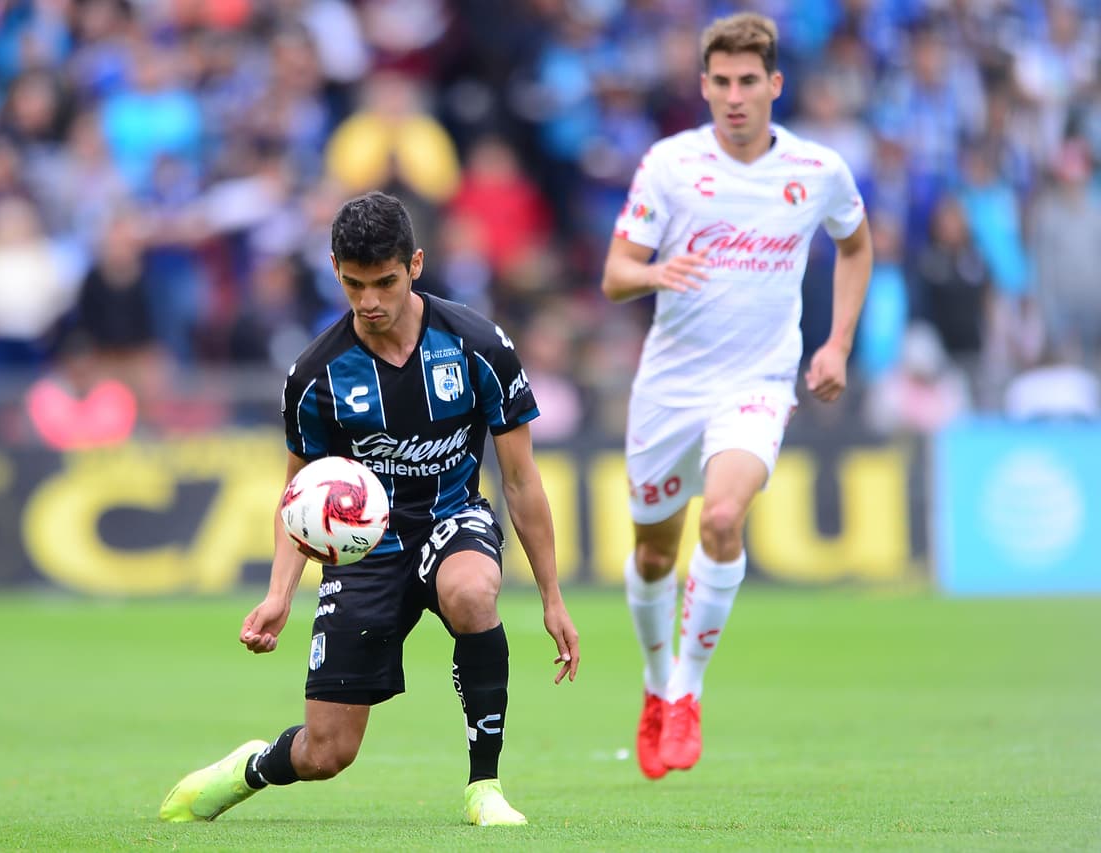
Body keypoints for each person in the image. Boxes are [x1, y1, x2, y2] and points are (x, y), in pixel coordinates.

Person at [159, 191, 580, 825]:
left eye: (384, 282)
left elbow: (520, 481)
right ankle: (246, 768)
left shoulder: (477, 346)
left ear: (415, 264)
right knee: (326, 754)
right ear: (335, 269)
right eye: (355, 285)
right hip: (364, 555)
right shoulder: (315, 376)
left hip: (452, 523)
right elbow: (296, 499)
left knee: (472, 591)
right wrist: (279, 595)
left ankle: (484, 787)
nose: (371, 302)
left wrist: (551, 596)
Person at [600, 12, 872, 780]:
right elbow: (616, 273)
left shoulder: (818, 171)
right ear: (704, 86)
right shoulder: (669, 165)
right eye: (720, 82)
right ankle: (656, 688)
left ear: (775, 84)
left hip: (756, 382)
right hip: (670, 387)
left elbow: (857, 243)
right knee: (654, 550)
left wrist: (837, 343)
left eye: (749, 80)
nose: (734, 95)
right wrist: (656, 273)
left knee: (721, 517)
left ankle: (686, 691)